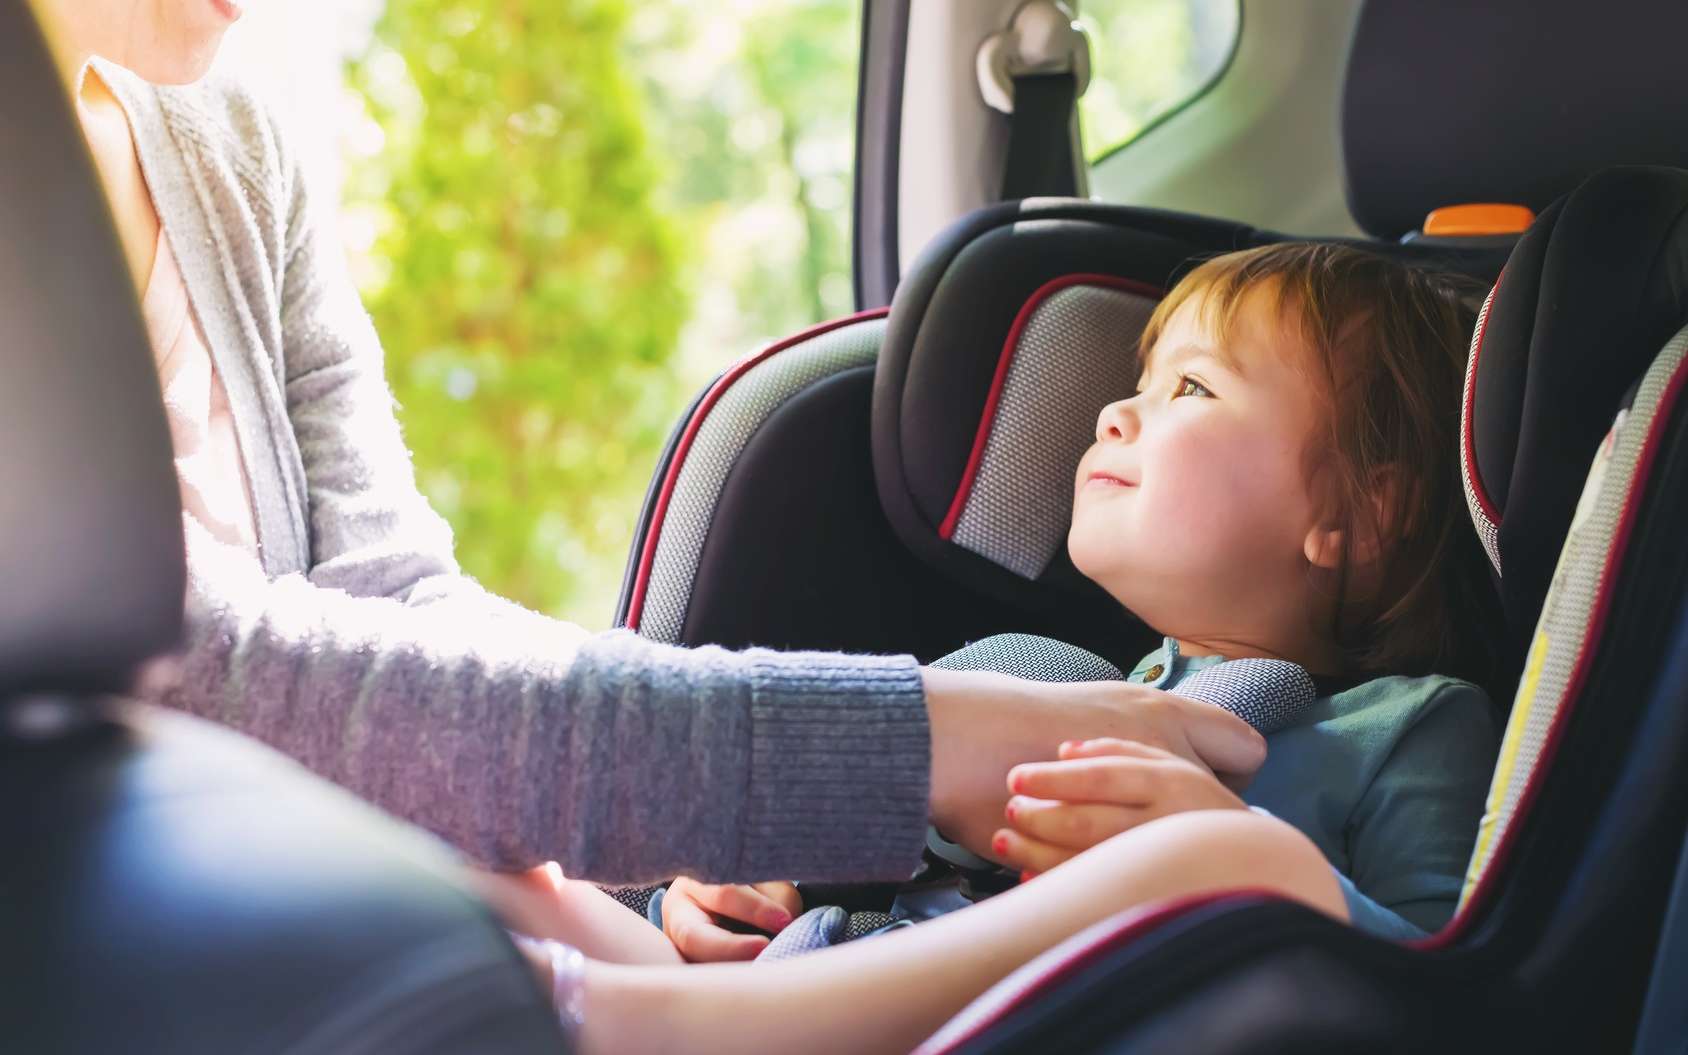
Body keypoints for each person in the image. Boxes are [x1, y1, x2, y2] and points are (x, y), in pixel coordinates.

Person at [30, 0, 1265, 899]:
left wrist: (683, 847)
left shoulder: (229, 144)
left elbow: (391, 599)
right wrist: (910, 741)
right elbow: (192, 668)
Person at [496, 243, 1502, 1052]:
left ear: (1363, 517)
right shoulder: (1028, 680)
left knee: (1228, 852)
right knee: (506, 880)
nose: (1114, 411)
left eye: (1190, 389)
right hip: (799, 988)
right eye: (1136, 383)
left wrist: (1236, 867)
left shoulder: (1409, 723)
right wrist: (716, 893)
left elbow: (1438, 990)